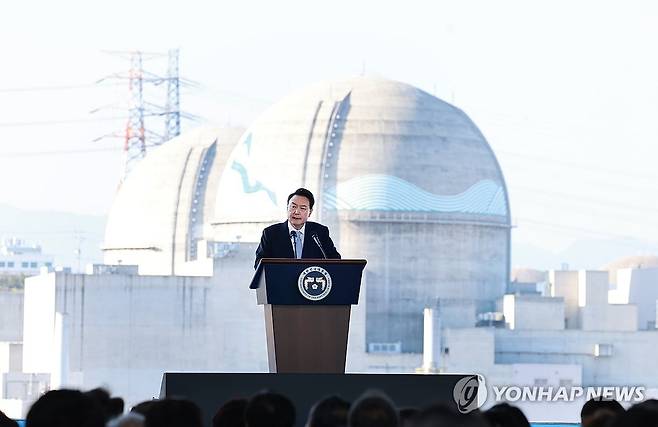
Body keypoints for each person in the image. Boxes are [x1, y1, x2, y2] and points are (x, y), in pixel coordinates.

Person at [254, 188, 340, 269]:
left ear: (310, 212)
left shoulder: (320, 232)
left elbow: (335, 261)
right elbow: (259, 264)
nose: (297, 212)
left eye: (303, 208)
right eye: (293, 207)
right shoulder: (271, 233)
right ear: (287, 208)